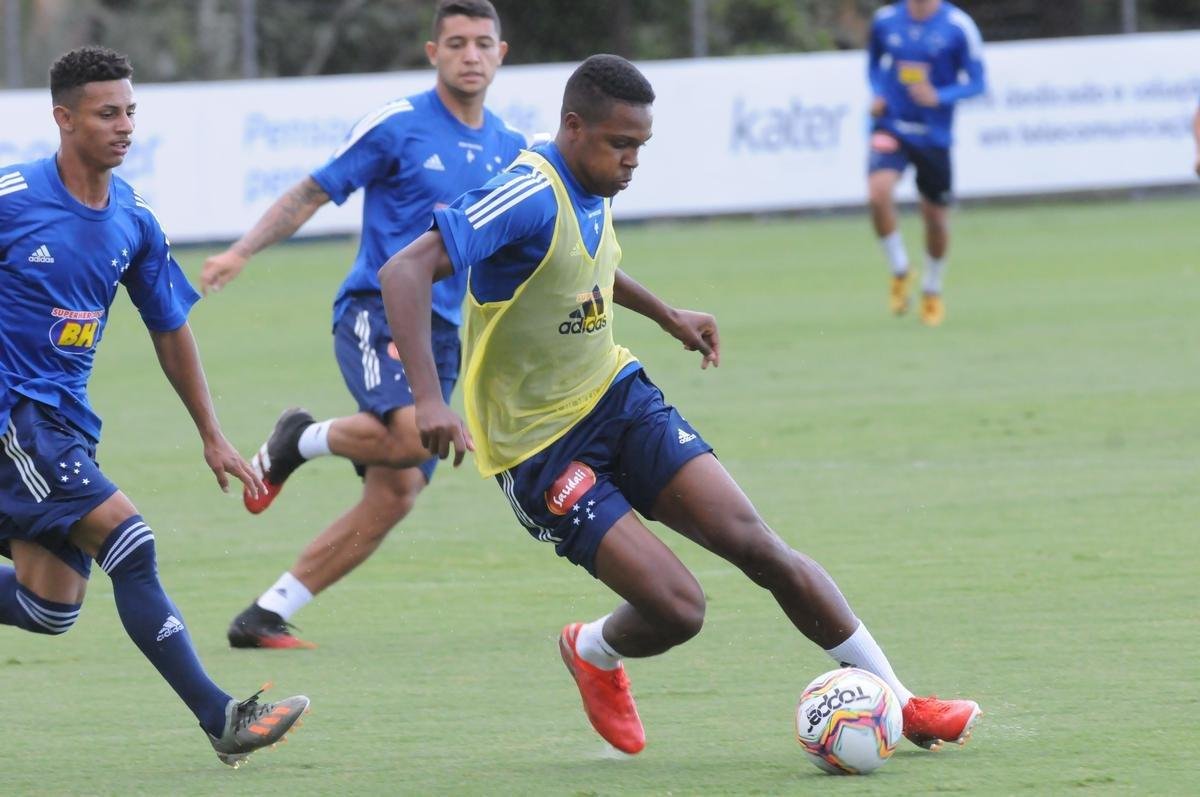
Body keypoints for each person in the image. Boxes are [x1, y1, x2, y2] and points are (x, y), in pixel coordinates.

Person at [378, 53, 981, 755]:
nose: (633, 161)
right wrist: (428, 399)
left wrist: (665, 314)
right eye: (620, 144)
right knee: (678, 608)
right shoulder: (525, 193)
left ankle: (904, 706)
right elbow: (406, 268)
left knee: (760, 545)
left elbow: (584, 261)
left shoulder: (590, 181)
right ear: (573, 129)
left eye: (641, 146)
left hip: (616, 396)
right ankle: (594, 649)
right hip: (540, 448)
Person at [0, 45, 308, 767]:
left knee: (51, 607)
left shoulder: (133, 218)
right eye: (108, 113)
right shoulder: (12, 200)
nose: (125, 125)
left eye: (131, 111)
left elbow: (170, 325)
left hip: (64, 425)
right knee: (129, 541)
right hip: (16, 417)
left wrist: (211, 432)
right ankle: (220, 717)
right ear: (64, 119)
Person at [199, 0, 527, 649]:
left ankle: (263, 614)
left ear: (501, 54)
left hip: (441, 335)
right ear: (432, 53)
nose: (470, 55)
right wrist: (242, 249)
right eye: (455, 43)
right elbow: (312, 190)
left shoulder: (511, 149)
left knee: (398, 491)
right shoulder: (398, 125)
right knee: (408, 438)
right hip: (372, 311)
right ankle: (299, 439)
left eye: (482, 43)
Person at [866, 0, 986, 326]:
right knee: (878, 193)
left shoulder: (958, 25)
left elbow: (978, 82)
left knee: (934, 219)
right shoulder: (886, 20)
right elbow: (875, 64)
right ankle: (900, 270)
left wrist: (940, 96)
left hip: (934, 136)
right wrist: (877, 92)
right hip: (892, 125)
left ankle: (932, 288)